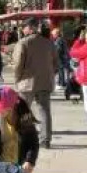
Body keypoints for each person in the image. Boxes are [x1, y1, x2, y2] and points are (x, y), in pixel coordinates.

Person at [13, 17, 58, 148]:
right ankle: (45, 139)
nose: (23, 29)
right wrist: (49, 75)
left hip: (26, 83)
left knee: (22, 111)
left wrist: (17, 79)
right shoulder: (49, 43)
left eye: (24, 27)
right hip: (44, 82)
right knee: (44, 110)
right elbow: (56, 63)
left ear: (31, 28)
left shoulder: (23, 43)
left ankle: (23, 139)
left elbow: (17, 65)